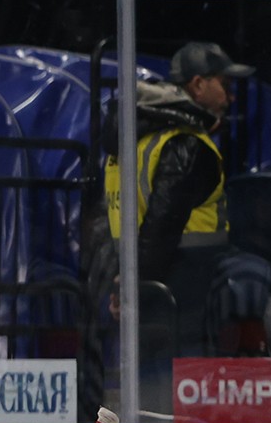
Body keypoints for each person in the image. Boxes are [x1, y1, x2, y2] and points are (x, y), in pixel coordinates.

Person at [102, 41, 251, 292]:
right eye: (225, 85)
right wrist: (137, 283)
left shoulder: (133, 136)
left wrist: (124, 282)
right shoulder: (186, 143)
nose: (231, 97)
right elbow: (163, 222)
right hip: (181, 282)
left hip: (142, 277)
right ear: (198, 84)